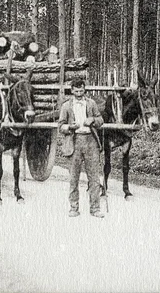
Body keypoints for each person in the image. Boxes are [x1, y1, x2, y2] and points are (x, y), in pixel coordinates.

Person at [58, 78, 105, 218]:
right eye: (76, 91)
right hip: (74, 142)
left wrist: (93, 120)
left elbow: (100, 119)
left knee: (94, 178)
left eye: (81, 90)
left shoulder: (91, 104)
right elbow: (60, 126)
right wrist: (69, 127)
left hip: (91, 142)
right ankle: (73, 208)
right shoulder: (66, 106)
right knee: (73, 178)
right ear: (72, 90)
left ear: (85, 90)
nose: (79, 93)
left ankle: (95, 209)